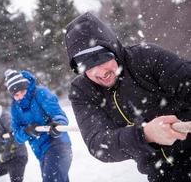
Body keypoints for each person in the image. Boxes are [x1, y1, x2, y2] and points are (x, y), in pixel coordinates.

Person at [64, 12, 191, 182]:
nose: (100, 72)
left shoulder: (146, 57)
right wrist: (145, 135)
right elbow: (99, 143)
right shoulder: (82, 91)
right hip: (160, 172)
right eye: (87, 65)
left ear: (113, 50)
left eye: (103, 59)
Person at [4, 69, 72, 182]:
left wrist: (58, 123)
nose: (20, 96)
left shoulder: (40, 93)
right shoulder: (15, 108)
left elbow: (58, 113)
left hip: (58, 144)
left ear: (26, 86)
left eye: (22, 91)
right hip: (41, 152)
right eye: (16, 94)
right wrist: (26, 131)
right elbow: (17, 135)